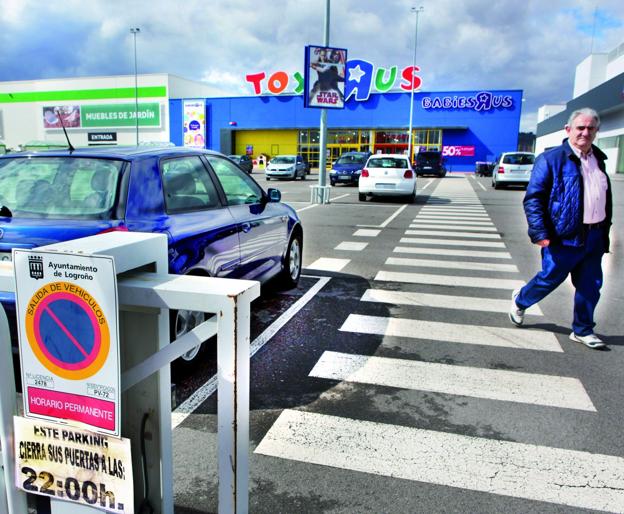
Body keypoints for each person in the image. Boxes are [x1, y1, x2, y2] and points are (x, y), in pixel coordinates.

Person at [509, 107, 612, 349]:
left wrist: (604, 232)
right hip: (563, 236)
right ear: (568, 130)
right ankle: (521, 300)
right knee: (549, 279)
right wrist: (539, 232)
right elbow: (534, 198)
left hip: (594, 235)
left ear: (596, 131)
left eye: (590, 128)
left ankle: (583, 329)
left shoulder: (599, 159)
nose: (585, 133)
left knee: (591, 284)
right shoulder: (551, 159)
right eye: (580, 128)